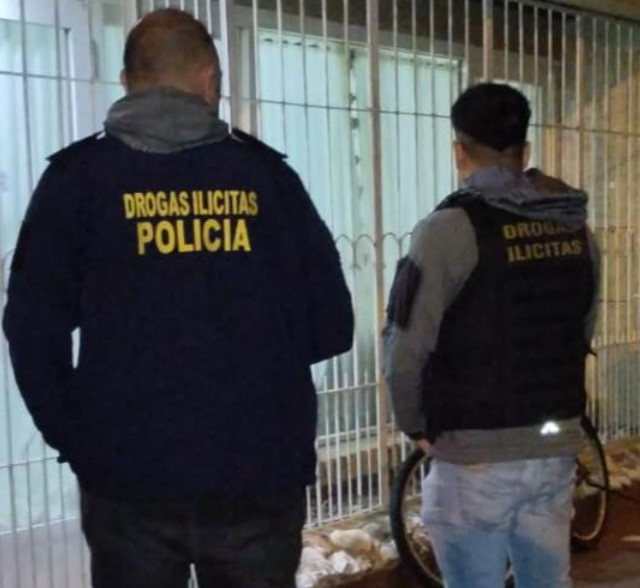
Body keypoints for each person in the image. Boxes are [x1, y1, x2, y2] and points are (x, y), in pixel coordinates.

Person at [3, 8, 353, 588]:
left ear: (126, 82)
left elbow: (31, 330)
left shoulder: (76, 181)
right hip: (256, 474)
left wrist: (80, 438)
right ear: (210, 80)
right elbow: (332, 326)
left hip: (128, 479)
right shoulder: (267, 179)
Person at [384, 83, 599, 588]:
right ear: (525, 150)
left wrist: (414, 424)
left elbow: (405, 351)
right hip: (553, 447)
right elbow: (581, 327)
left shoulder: (447, 230)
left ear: (459, 151)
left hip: (473, 456)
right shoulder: (574, 227)